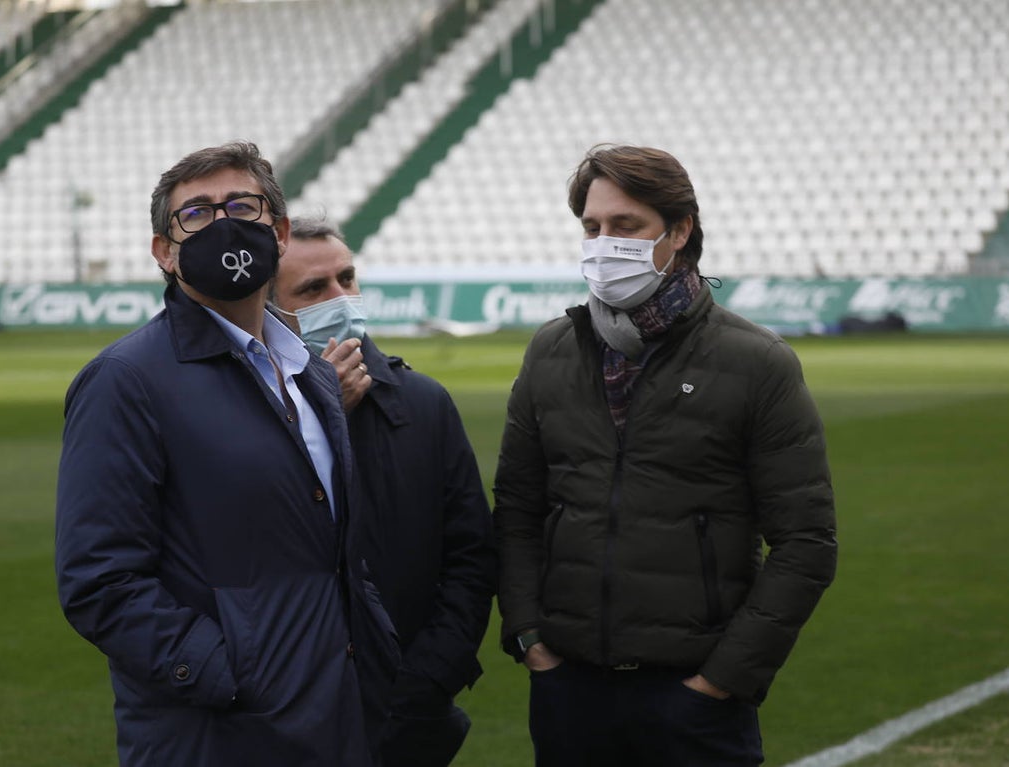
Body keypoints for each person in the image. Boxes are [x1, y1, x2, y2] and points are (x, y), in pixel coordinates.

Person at [55, 141, 399, 767]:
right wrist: (231, 673)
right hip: (214, 734)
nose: (224, 224)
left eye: (244, 206)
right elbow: (98, 581)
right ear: (164, 250)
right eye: (197, 214)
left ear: (281, 230)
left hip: (334, 717)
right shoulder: (124, 380)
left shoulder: (310, 376)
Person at [493, 144, 837, 766]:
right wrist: (531, 642)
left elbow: (807, 542)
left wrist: (720, 682)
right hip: (569, 693)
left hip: (696, 702)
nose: (604, 244)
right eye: (592, 227)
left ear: (679, 231)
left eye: (626, 226)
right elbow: (517, 507)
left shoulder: (755, 362)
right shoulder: (551, 350)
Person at [271, 215, 498, 767]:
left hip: (407, 715)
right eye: (314, 289)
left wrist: (428, 679)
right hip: (284, 709)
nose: (340, 298)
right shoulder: (239, 415)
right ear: (270, 309)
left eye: (347, 279)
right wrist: (321, 415)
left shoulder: (424, 404)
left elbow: (471, 555)